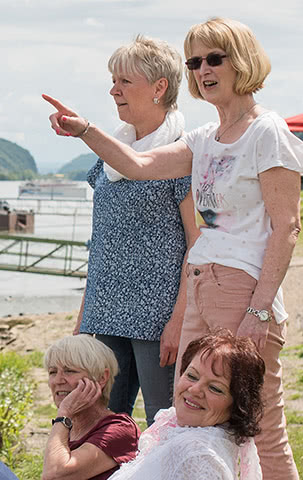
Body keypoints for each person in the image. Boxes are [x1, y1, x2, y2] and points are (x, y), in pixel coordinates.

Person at [44, 17, 303, 479]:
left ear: (241, 61)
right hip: (202, 285)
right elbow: (139, 163)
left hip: (243, 288)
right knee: (186, 419)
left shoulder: (267, 132)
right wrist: (84, 128)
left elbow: (287, 227)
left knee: (259, 424)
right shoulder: (204, 139)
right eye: (195, 61)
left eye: (214, 58)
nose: (203, 69)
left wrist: (261, 310)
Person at [72, 34, 196, 428]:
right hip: (105, 312)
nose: (113, 90)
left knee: (163, 423)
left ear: (159, 87)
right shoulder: (108, 158)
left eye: (124, 81)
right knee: (102, 425)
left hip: (156, 317)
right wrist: (83, 316)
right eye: (113, 80)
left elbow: (199, 242)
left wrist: (180, 318)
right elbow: (101, 244)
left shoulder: (183, 156)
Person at [109, 333, 265, 480]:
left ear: (237, 404)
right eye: (191, 376)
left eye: (215, 388)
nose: (195, 389)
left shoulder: (198, 455)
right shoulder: (183, 430)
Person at [41, 335, 141, 480]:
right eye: (52, 372)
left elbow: (55, 475)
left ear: (101, 378)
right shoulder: (68, 429)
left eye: (70, 371)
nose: (58, 380)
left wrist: (64, 415)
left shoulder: (120, 429)